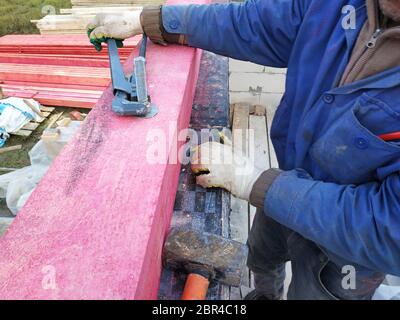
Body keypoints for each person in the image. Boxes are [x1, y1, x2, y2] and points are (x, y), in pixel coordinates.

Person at [87, 0, 400, 300]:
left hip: (347, 250)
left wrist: (252, 182)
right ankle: (265, 295)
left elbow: (390, 228)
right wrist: (154, 21)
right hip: (285, 183)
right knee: (262, 258)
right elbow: (255, 24)